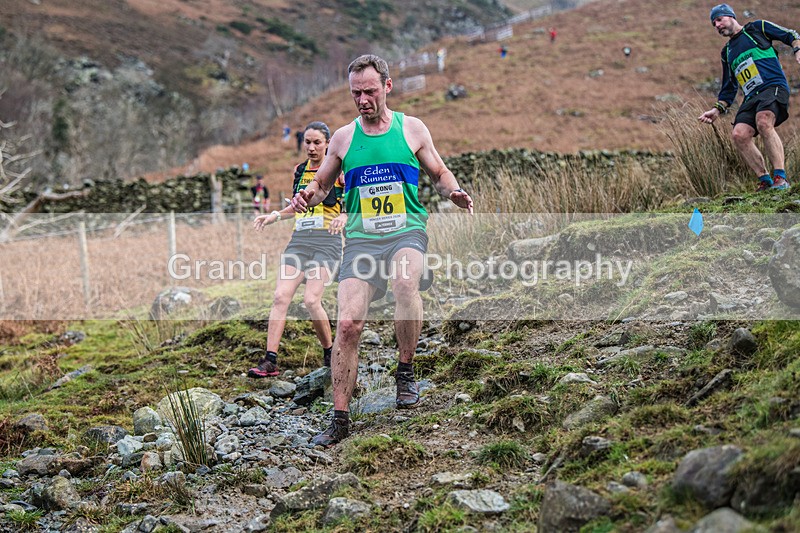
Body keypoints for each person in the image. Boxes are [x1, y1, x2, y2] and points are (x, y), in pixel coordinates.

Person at [290, 54, 474, 447]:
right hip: (361, 239)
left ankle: (404, 371)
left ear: (387, 87)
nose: (362, 100)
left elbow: (439, 174)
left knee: (406, 283)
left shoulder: (412, 129)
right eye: (355, 93)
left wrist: (454, 192)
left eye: (370, 91)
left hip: (406, 230)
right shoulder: (342, 137)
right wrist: (308, 195)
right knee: (348, 324)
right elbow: (322, 185)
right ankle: (340, 419)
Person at [248, 121, 346, 378]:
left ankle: (330, 351)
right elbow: (297, 206)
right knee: (281, 297)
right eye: (308, 142)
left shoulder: (339, 170)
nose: (312, 148)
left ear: (328, 144)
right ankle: (270, 360)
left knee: (311, 300)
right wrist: (275, 216)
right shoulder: (299, 170)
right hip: (300, 241)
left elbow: (355, 200)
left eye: (317, 143)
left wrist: (345, 216)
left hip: (327, 241)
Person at [699, 3, 799, 191]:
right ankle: (765, 181)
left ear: (730, 16)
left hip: (773, 87)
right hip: (751, 97)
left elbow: (791, 35)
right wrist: (716, 109)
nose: (717, 26)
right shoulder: (726, 52)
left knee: (763, 121)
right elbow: (729, 88)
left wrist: (797, 49)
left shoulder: (757, 28)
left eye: (719, 20)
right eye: (714, 24)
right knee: (739, 135)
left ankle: (781, 178)